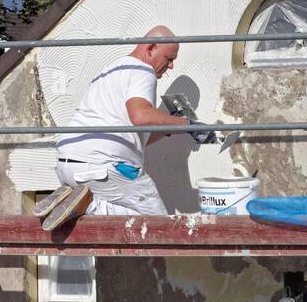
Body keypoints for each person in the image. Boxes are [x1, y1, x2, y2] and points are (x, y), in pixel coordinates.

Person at [36, 25, 191, 229]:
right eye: (169, 59)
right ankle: (89, 205)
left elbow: (136, 136)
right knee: (157, 225)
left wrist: (170, 128)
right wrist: (185, 123)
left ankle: (73, 199)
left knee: (131, 220)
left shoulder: (110, 71)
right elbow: (140, 115)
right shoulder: (143, 70)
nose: (170, 66)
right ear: (151, 48)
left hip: (69, 162)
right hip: (102, 164)